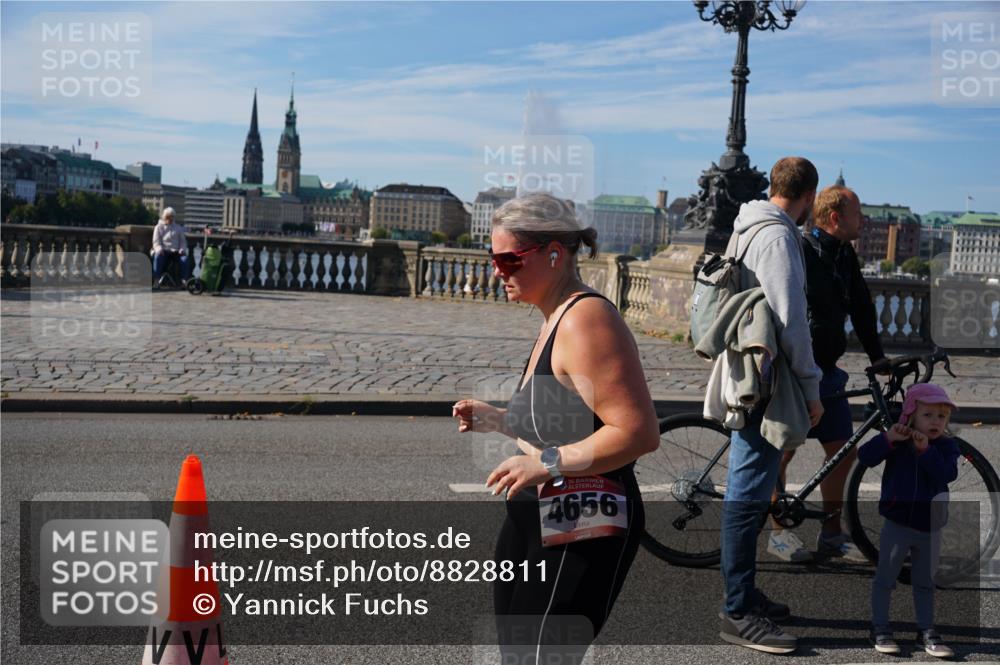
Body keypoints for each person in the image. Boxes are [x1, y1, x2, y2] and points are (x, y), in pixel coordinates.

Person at [452, 192, 659, 661]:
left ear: (553, 253)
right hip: (533, 521)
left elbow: (638, 432)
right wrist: (500, 421)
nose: (498, 270)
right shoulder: (554, 316)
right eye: (494, 258)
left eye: (510, 259)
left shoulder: (586, 320)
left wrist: (546, 464)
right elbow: (563, 427)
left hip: (583, 524)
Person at [715, 157, 824, 654]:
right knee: (748, 492)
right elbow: (790, 319)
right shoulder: (779, 237)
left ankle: (746, 594)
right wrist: (811, 385)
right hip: (768, 377)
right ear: (807, 197)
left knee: (752, 486)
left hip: (746, 369)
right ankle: (738, 611)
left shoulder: (746, 226)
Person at [767, 185, 889, 563]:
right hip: (794, 371)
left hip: (829, 373)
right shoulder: (799, 250)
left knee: (841, 453)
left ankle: (832, 533)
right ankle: (779, 534)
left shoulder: (844, 255)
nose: (863, 221)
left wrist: (879, 358)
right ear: (836, 217)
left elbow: (863, 310)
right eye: (858, 214)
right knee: (782, 451)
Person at [857, 383, 959, 658]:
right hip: (898, 523)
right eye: (928, 415)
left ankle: (926, 630)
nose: (936, 421)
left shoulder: (947, 446)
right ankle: (879, 627)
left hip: (931, 526)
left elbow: (947, 474)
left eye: (942, 416)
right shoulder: (898, 442)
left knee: (925, 582)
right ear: (911, 414)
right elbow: (865, 456)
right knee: (885, 578)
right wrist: (888, 438)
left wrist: (927, 451)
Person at [151, 207, 192, 287]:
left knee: (185, 260)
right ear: (164, 217)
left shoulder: (178, 228)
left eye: (172, 216)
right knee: (157, 257)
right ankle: (156, 279)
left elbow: (183, 242)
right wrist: (159, 249)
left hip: (176, 252)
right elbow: (156, 241)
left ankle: (184, 281)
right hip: (163, 251)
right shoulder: (158, 227)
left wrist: (182, 250)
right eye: (168, 216)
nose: (170, 218)